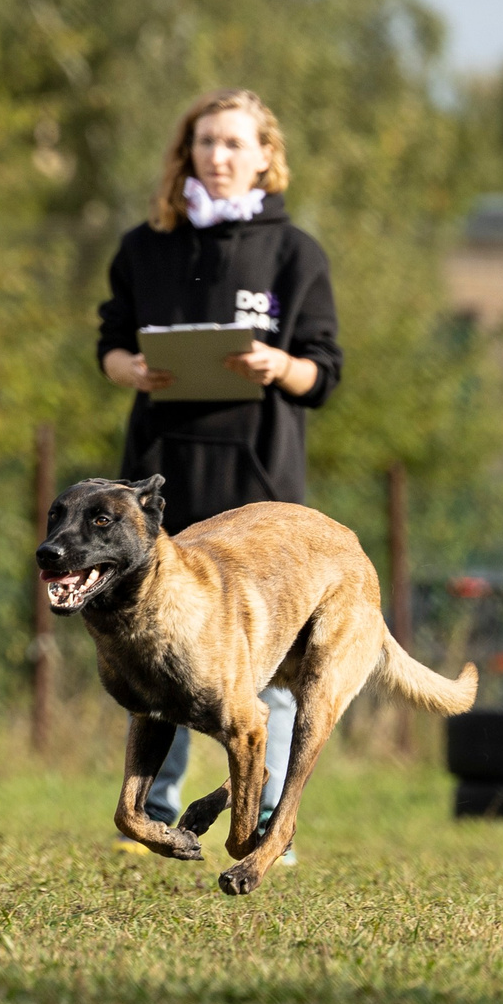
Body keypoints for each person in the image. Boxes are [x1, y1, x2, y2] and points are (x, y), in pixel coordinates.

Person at [96, 88, 342, 863]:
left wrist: (279, 365)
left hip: (257, 480)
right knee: (151, 650)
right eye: (206, 141)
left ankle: (267, 822)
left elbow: (324, 372)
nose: (218, 155)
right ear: (187, 153)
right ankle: (157, 817)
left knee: (267, 665)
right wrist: (131, 368)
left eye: (234, 142)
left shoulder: (296, 253)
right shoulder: (146, 247)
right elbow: (109, 344)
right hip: (161, 479)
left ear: (266, 155)